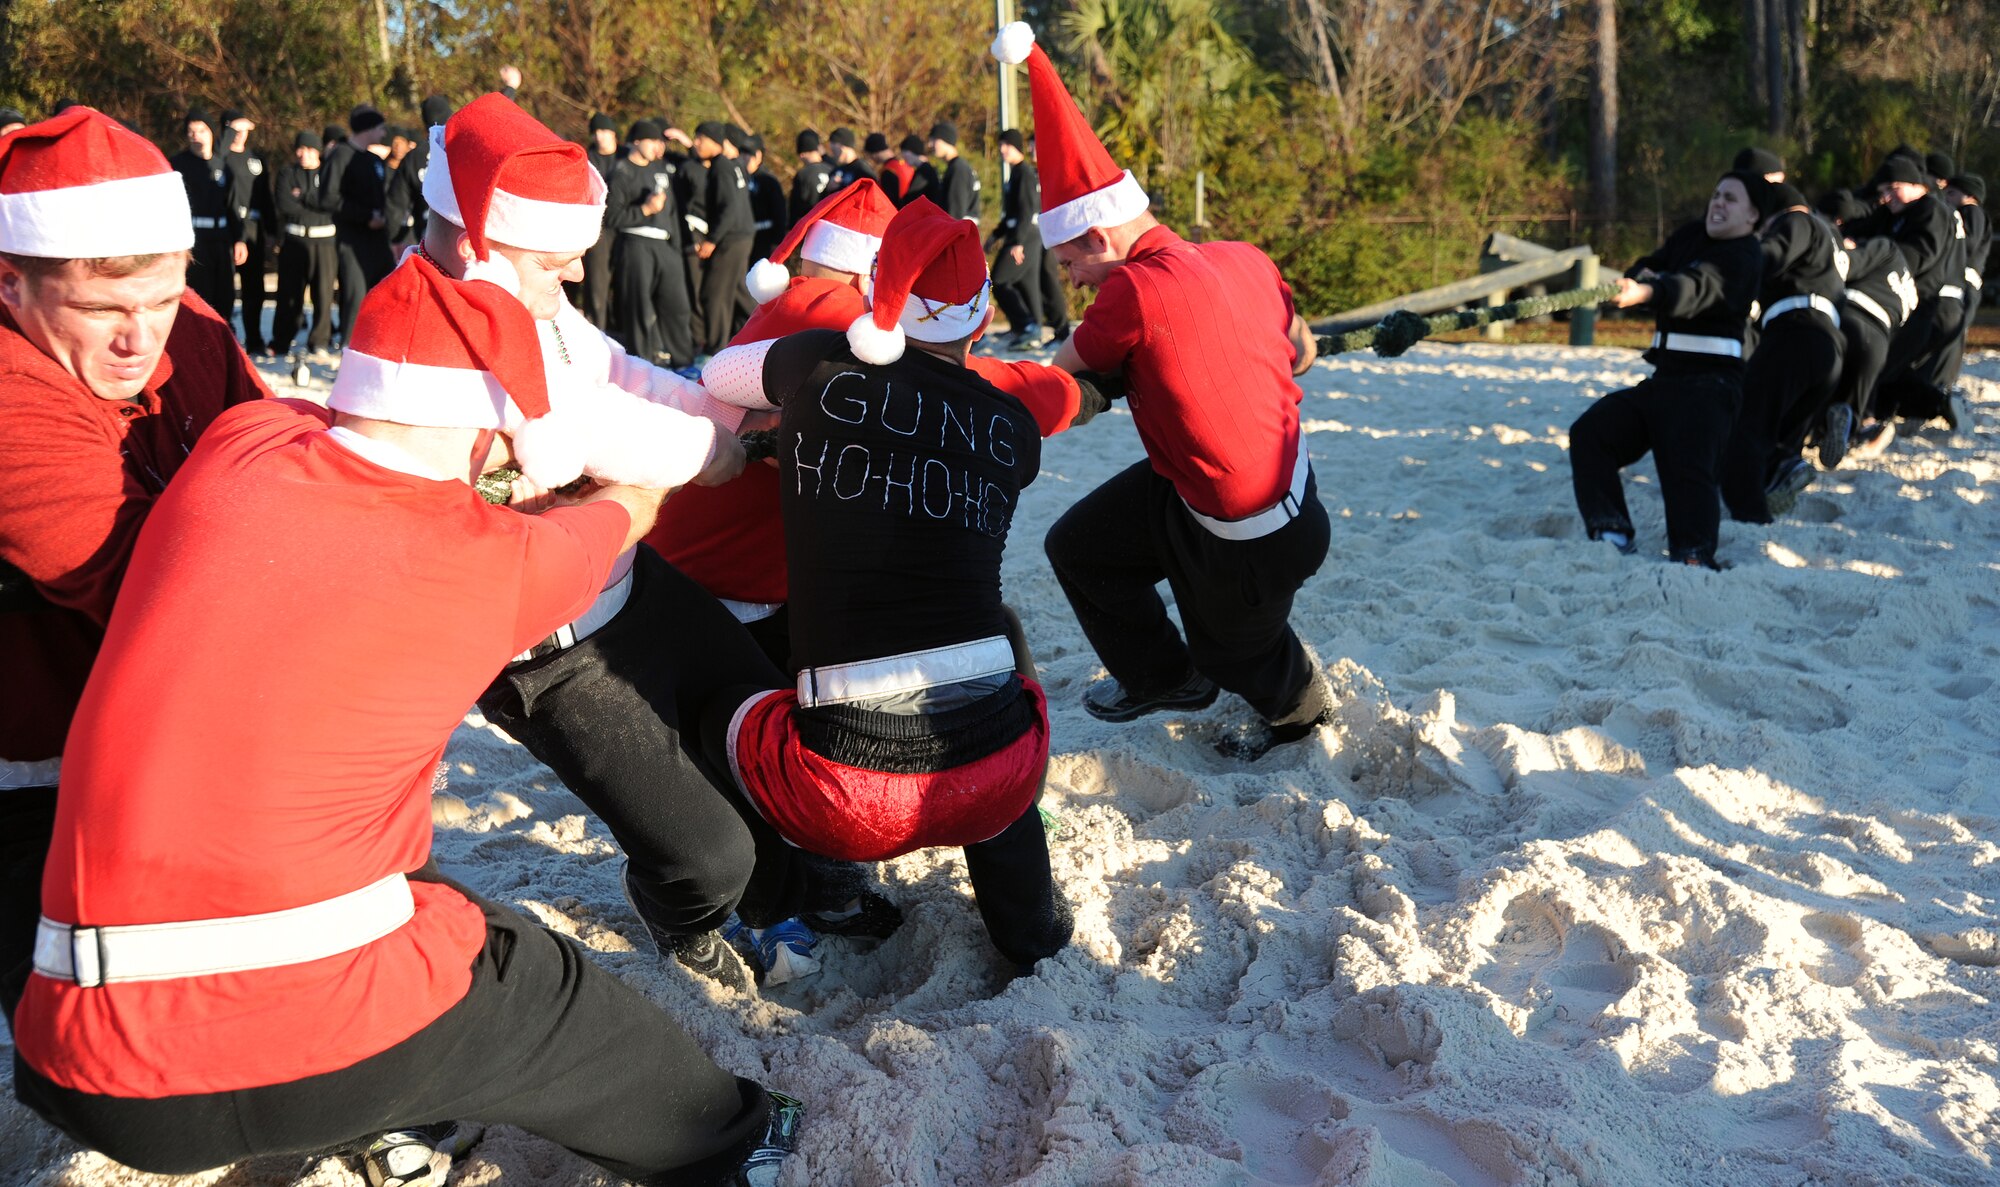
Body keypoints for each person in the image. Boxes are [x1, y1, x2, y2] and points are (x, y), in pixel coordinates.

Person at [8, 255, 803, 1186]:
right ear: (490, 436)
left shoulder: (236, 449)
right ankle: (744, 1137)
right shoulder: (495, 561)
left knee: (399, 897)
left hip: (74, 1054)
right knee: (539, 982)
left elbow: (328, 426)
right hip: (301, 1036)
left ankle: (387, 1123)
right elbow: (625, 509)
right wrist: (691, 458)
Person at [420, 95, 858, 989]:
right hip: (548, 648)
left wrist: (723, 402)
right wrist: (718, 445)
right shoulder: (437, 326)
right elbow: (589, 424)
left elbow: (620, 371)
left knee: (762, 722)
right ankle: (689, 914)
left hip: (634, 581)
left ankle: (779, 895)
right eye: (558, 262)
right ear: (479, 246)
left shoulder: (519, 295)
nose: (576, 278)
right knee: (706, 853)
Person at [697, 199, 1074, 973]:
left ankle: (816, 895)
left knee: (712, 698)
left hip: (841, 794)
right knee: (999, 648)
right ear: (985, 314)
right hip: (999, 776)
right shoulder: (1011, 430)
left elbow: (719, 375)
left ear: (881, 296)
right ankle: (1031, 928)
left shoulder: (815, 364)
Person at [994, 24, 1331, 760]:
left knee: (1239, 657)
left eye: (1068, 264)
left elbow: (1064, 364)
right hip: (1247, 494)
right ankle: (1163, 676)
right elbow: (1299, 342)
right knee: (1079, 546)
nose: (1071, 283)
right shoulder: (1243, 256)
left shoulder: (1134, 293)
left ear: (1101, 239)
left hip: (1249, 535)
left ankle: (1302, 720)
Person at [0, 106, 269, 1025]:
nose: (140, 339)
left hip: (172, 721)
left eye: (159, 300)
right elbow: (159, 592)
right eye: (105, 309)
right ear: (11, 286)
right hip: (36, 769)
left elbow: (274, 450)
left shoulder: (185, 324)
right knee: (98, 1042)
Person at [1569, 170, 1763, 569]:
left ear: (1753, 216)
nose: (1718, 203)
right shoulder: (1690, 235)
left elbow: (1696, 288)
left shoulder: (1743, 255)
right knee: (1591, 434)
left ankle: (1693, 559)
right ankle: (1612, 531)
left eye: (1730, 198)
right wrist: (1643, 280)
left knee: (1688, 473)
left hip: (1710, 387)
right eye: (1715, 194)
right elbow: (1646, 265)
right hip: (1665, 380)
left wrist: (1651, 290)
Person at [1721, 179, 1845, 521]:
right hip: (1828, 344)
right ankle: (1784, 470)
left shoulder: (1798, 221)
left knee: (1750, 422)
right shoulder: (1829, 239)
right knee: (1783, 432)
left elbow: (1769, 258)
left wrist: (1734, 258)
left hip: (1796, 330)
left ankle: (1748, 512)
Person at [1816, 190, 1917, 466]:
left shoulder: (1884, 248)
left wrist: (1844, 251)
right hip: (1879, 340)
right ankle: (1855, 427)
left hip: (1847, 316)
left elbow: (1846, 268)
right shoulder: (1910, 289)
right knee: (1854, 401)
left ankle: (1817, 429)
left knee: (1819, 385)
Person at [606, 119, 695, 367]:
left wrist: (678, 246)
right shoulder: (621, 172)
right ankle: (642, 363)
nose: (658, 147)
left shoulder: (662, 169)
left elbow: (694, 171)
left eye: (660, 142)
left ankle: (684, 361)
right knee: (640, 306)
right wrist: (644, 209)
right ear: (637, 141)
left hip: (666, 245)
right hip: (636, 244)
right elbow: (612, 217)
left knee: (677, 304)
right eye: (653, 141)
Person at [324, 105, 395, 344]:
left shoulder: (374, 160)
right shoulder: (341, 155)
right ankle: (349, 347)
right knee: (355, 295)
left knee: (385, 290)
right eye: (380, 128)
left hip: (378, 239)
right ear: (368, 129)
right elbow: (329, 198)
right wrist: (365, 216)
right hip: (352, 239)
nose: (384, 134)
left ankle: (380, 344)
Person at [168, 109, 245, 329]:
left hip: (221, 238)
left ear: (211, 133)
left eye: (201, 130)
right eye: (191, 131)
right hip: (194, 240)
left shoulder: (223, 166)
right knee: (200, 295)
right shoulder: (178, 165)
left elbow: (232, 206)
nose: (195, 135)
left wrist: (239, 238)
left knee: (225, 295)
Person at [271, 130, 339, 359]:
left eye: (308, 149)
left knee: (323, 293)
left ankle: (320, 340)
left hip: (325, 241)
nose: (303, 154)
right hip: (294, 238)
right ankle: (281, 341)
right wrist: (313, 204)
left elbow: (332, 204)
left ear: (318, 151)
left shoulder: (329, 173)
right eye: (299, 149)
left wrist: (304, 197)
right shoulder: (287, 173)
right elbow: (285, 204)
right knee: (289, 294)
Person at [690, 120, 755, 354]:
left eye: (700, 139)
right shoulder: (734, 163)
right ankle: (764, 336)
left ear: (715, 142)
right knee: (738, 292)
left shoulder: (721, 167)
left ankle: (716, 352)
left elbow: (729, 208)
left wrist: (712, 240)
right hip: (741, 236)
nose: (696, 143)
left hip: (731, 238)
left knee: (714, 294)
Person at [221, 109, 274, 355]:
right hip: (227, 228)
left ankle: (255, 339)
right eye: (235, 129)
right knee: (225, 289)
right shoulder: (220, 156)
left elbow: (265, 198)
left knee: (255, 288)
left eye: (244, 131)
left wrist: (274, 231)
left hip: (254, 229)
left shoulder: (256, 159)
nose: (240, 135)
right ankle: (226, 337)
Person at [989, 129, 1045, 348]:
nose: (1002, 149)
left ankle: (1027, 326)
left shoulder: (1024, 173)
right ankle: (1026, 328)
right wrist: (996, 233)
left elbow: (1026, 210)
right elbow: (1012, 213)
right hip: (1022, 235)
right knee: (1027, 284)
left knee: (1000, 279)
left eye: (1007, 145)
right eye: (1001, 145)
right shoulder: (1016, 172)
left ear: (1017, 148)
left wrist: (1018, 242)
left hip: (1026, 236)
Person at [383, 95, 453, 255]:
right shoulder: (462, 148)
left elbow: (396, 202)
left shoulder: (414, 157)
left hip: (428, 238)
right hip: (463, 238)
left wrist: (394, 238)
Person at [577, 111, 622, 326]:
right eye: (595, 132)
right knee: (597, 281)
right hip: (599, 228)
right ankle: (597, 328)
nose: (600, 136)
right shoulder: (587, 159)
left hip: (624, 227)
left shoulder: (626, 155)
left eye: (604, 131)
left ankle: (617, 326)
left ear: (613, 133)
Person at [746, 134, 788, 269]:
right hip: (747, 238)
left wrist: (778, 241)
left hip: (765, 238)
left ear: (758, 156)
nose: (744, 159)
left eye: (748, 155)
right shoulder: (742, 177)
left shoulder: (768, 180)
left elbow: (779, 211)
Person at [928, 121, 980, 222]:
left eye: (934, 140)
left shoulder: (958, 169)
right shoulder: (958, 167)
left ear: (945, 140)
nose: (930, 144)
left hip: (962, 235)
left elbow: (955, 214)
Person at [790, 129, 833, 222]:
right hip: (830, 225)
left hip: (810, 226)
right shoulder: (833, 170)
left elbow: (795, 207)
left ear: (802, 154)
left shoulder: (802, 174)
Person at [896, 134, 940, 209]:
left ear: (911, 151)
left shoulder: (924, 171)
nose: (903, 157)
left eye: (904, 152)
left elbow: (911, 199)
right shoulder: (925, 169)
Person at [874, 132, 912, 204]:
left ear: (875, 152)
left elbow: (889, 201)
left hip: (898, 211)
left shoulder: (888, 170)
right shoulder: (905, 164)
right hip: (909, 209)